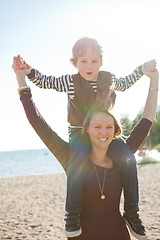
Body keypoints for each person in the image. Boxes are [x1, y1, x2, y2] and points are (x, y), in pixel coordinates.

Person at [13, 37, 156, 239]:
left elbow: (126, 84)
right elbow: (47, 82)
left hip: (116, 226)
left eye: (94, 61)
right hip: (79, 134)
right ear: (74, 63)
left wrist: (143, 71)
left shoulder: (109, 80)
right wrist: (28, 74)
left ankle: (132, 214)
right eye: (83, 61)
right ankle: (71, 215)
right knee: (77, 162)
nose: (89, 66)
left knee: (129, 158)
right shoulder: (70, 82)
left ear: (102, 62)